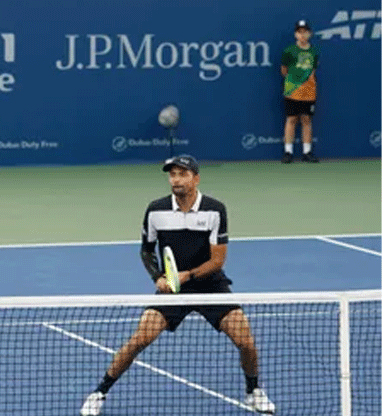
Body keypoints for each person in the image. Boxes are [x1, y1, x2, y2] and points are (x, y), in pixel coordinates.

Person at [80, 155, 275, 415]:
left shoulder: (215, 210)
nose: (176, 180)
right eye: (172, 175)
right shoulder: (156, 210)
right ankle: (100, 392)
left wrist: (188, 276)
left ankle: (253, 391)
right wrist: (158, 277)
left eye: (182, 174)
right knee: (139, 339)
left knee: (247, 342)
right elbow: (146, 251)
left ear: (196, 178)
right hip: (172, 288)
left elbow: (218, 260)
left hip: (210, 285)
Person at [281, 19, 320, 163]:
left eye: (305, 32)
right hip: (292, 90)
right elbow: (284, 70)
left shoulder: (314, 52)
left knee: (306, 120)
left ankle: (307, 152)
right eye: (299, 32)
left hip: (309, 92)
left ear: (310, 34)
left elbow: (313, 70)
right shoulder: (289, 51)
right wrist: (295, 82)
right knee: (291, 119)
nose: (302, 35)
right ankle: (288, 152)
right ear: (295, 34)